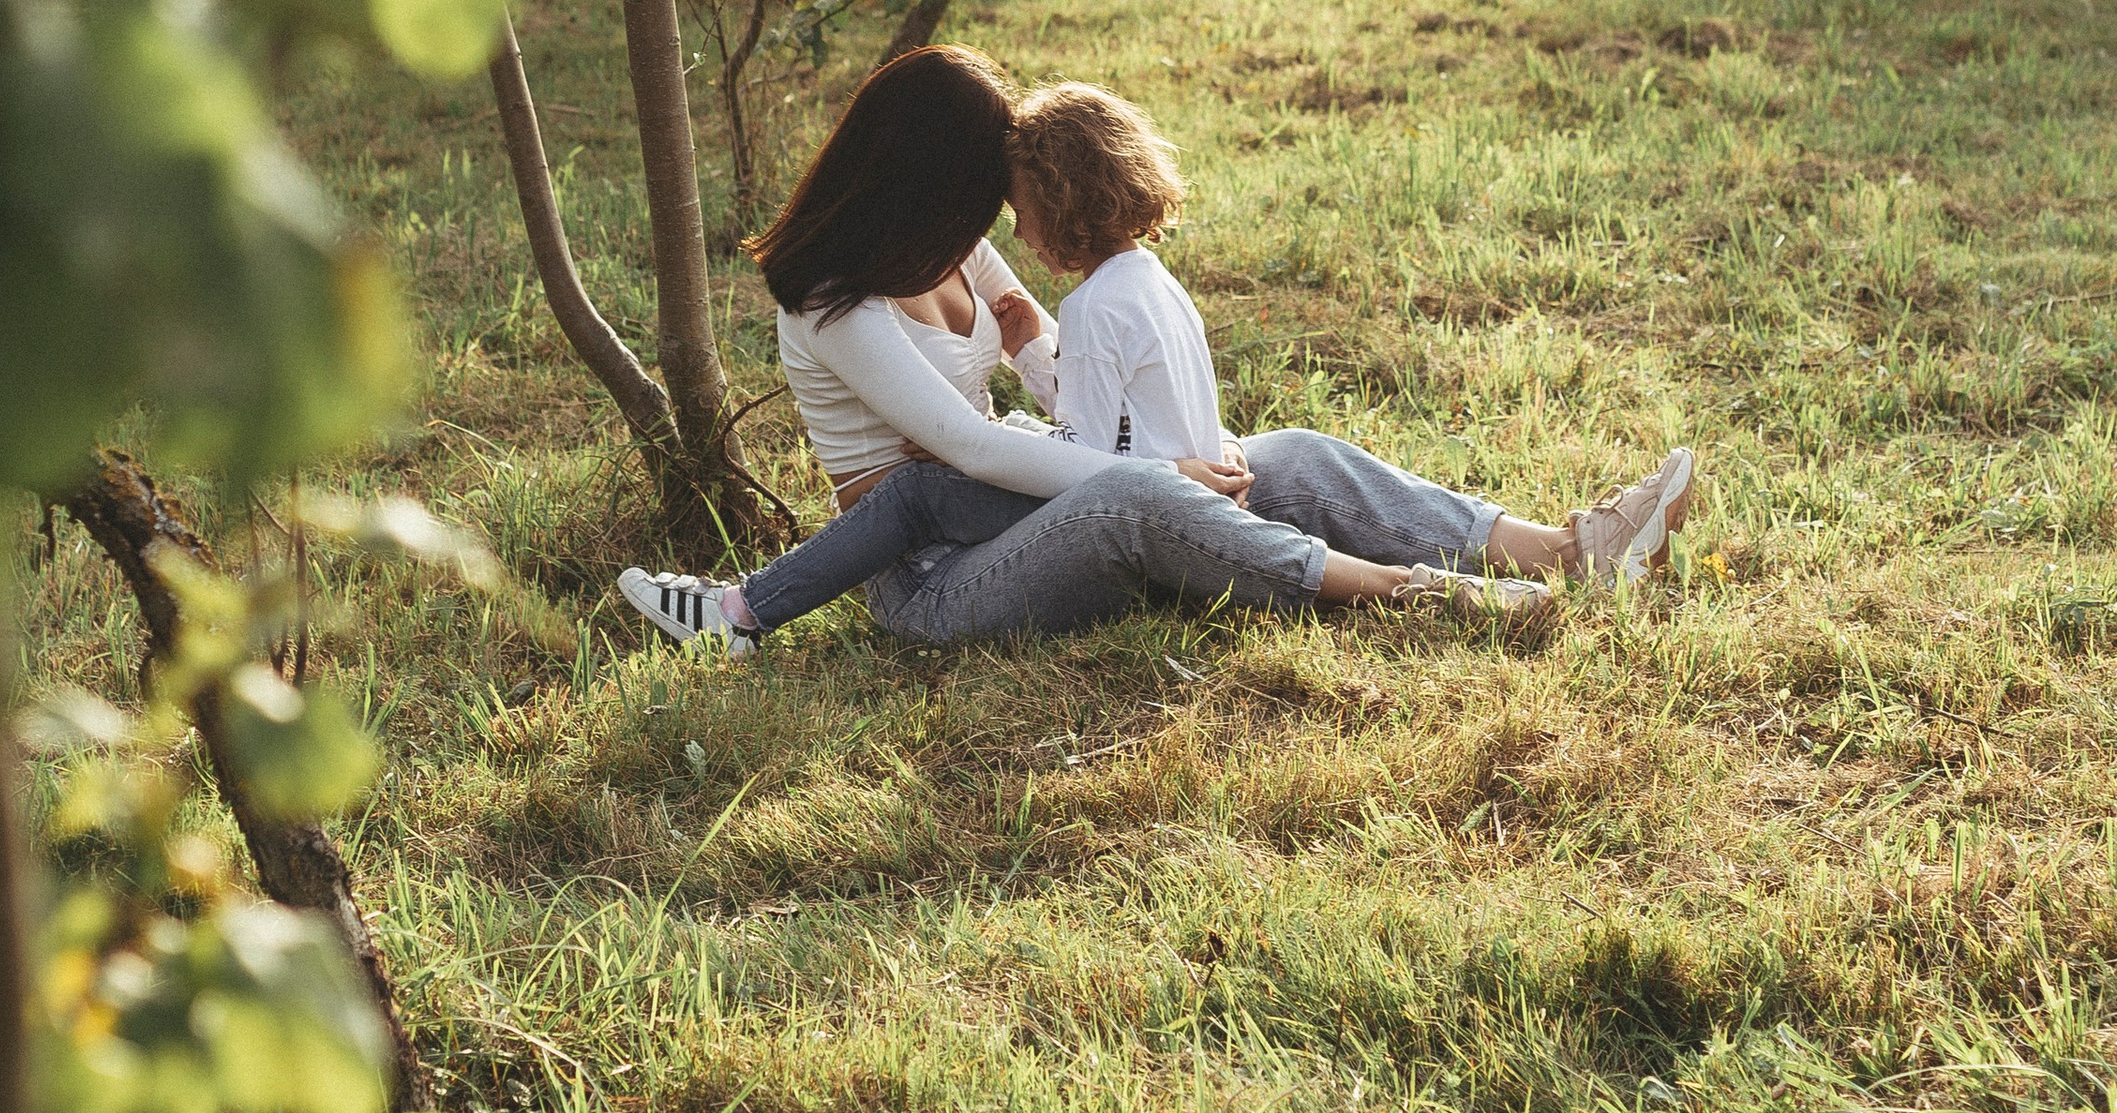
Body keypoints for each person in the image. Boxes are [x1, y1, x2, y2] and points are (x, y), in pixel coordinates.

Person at [616, 49, 1685, 659]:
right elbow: (964, 447)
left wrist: (1147, 437)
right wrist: (1149, 468)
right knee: (1144, 503)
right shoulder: (827, 302)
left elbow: (1032, 332)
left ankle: (1565, 549)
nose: (995, 219)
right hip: (932, 582)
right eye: (977, 191)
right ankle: (1415, 592)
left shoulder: (949, 242)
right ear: (914, 182)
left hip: (1027, 502)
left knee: (1291, 456)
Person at [1001, 78, 1691, 588]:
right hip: (1200, 494)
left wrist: (1000, 432)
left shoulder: (1092, 308)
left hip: (1170, 519)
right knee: (1301, 462)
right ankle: (1533, 564)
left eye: (1022, 210)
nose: (1017, 230)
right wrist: (1034, 351)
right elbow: (1131, 411)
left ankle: (1563, 552)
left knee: (1306, 456)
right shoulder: (1147, 277)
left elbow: (1083, 456)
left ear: (1064, 204)